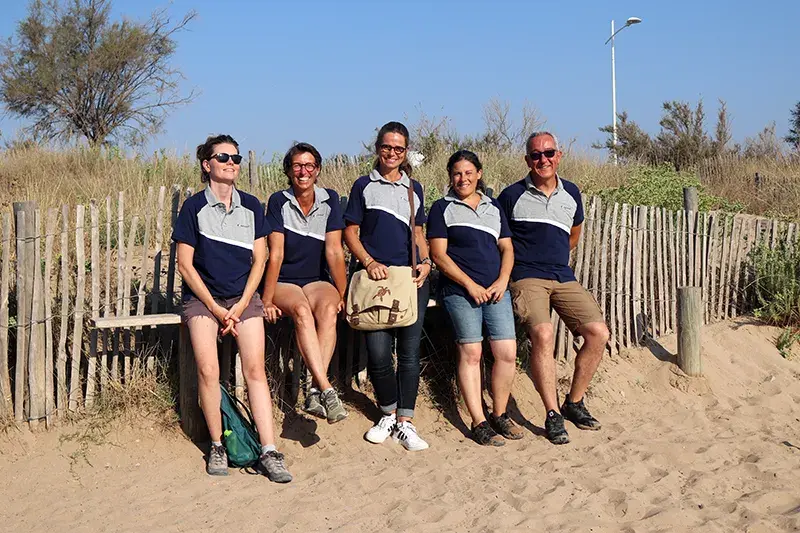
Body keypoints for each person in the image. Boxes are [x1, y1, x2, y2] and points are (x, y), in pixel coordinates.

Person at [173, 134, 292, 482]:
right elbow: (185, 265)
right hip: (203, 300)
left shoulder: (252, 206)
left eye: (236, 158)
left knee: (255, 370)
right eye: (223, 157)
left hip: (243, 299)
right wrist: (215, 307)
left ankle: (269, 450)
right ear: (207, 164)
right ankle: (217, 445)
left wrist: (240, 306)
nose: (231, 163)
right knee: (209, 371)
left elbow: (261, 259)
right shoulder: (193, 208)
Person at [498, 131, 610, 445]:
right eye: (536, 155)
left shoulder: (572, 193)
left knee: (598, 332)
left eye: (548, 153)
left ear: (558, 155)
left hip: (562, 274)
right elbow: (501, 242)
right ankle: (552, 414)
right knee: (543, 334)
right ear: (527, 160)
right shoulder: (511, 196)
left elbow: (573, 236)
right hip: (527, 275)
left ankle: (573, 402)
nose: (542, 160)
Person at [343, 121, 432, 451]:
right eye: (387, 147)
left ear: (406, 151)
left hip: (410, 280)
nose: (392, 153)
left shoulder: (415, 189)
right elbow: (350, 233)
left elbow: (419, 234)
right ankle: (387, 414)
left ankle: (406, 422)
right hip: (374, 281)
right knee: (379, 353)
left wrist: (426, 264)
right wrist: (368, 262)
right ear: (377, 147)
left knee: (409, 354)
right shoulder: (363, 186)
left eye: (399, 148)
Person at [427, 150, 524, 446]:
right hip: (460, 291)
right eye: (457, 173)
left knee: (506, 352)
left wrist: (502, 280)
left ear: (479, 174)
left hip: (496, 289)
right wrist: (469, 285)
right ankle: (479, 421)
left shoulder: (494, 208)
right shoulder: (442, 208)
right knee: (472, 353)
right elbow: (438, 255)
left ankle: (499, 414)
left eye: (468, 173)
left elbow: (506, 248)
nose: (463, 178)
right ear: (450, 177)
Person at [262, 142, 348, 424]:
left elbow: (335, 251)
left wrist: (343, 293)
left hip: (315, 280)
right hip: (285, 280)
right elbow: (276, 254)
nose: (303, 171)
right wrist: (267, 298)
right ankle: (326, 387)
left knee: (328, 308)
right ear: (288, 170)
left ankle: (313, 391)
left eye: (309, 165)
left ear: (318, 170)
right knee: (300, 310)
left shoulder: (330, 199)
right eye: (297, 166)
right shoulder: (278, 201)